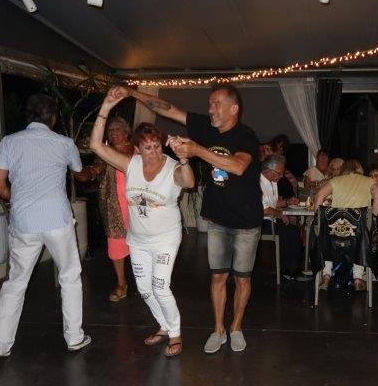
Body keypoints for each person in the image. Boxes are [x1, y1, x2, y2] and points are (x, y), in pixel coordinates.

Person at [130, 84, 261, 354]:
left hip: (247, 221)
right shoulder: (205, 126)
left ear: (233, 109)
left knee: (242, 280)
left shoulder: (246, 135)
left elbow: (237, 166)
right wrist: (133, 93)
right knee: (217, 278)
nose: (210, 109)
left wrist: (197, 150)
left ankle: (236, 327)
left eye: (216, 104)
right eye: (209, 103)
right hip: (217, 218)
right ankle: (218, 330)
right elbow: (167, 109)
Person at [89, 87, 194, 356]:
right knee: (145, 290)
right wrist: (106, 106)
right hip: (137, 240)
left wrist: (183, 159)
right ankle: (163, 326)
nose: (154, 152)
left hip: (165, 239)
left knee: (160, 286)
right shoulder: (130, 164)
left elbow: (188, 182)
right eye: (147, 147)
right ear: (137, 148)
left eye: (157, 146)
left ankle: (175, 333)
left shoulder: (172, 167)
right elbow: (96, 146)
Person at [0, 94, 91, 356]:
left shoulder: (10, 142)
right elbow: (81, 175)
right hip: (57, 219)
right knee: (69, 276)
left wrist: (18, 199)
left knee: (16, 281)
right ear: (52, 118)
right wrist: (94, 171)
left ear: (29, 115)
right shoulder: (64, 143)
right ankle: (74, 337)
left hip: (24, 221)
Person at [74, 116, 134, 302]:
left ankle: (147, 282)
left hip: (138, 206)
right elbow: (95, 169)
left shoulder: (138, 150)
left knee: (143, 243)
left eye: (116, 129)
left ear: (126, 132)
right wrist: (83, 172)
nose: (112, 132)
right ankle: (122, 284)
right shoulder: (104, 153)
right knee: (116, 244)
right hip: (114, 206)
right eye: (110, 130)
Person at [313, 159, 378, 290]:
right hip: (357, 232)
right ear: (360, 169)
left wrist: (318, 218)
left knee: (326, 237)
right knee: (362, 237)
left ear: (344, 169)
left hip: (335, 231)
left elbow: (319, 196)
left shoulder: (335, 180)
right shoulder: (369, 181)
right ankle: (358, 278)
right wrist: (373, 218)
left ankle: (326, 275)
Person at [261, 154, 309, 281]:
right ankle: (290, 271)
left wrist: (288, 202)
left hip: (270, 219)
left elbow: (273, 203)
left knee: (293, 230)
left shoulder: (273, 182)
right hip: (261, 222)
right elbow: (264, 209)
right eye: (279, 173)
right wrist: (280, 214)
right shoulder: (259, 183)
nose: (282, 176)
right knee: (290, 233)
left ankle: (288, 269)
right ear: (269, 171)